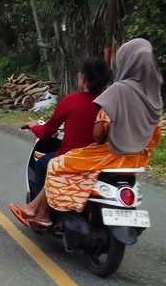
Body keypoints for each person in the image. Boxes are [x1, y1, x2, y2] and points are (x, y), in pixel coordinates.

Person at [10, 38, 164, 227]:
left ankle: (42, 211)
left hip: (109, 155)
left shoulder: (116, 92)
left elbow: (98, 132)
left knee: (54, 164)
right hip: (138, 158)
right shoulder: (153, 96)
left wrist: (102, 139)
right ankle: (39, 208)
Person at [19, 57, 111, 202]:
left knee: (42, 163)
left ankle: (37, 210)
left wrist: (34, 126)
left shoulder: (70, 101)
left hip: (72, 157)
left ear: (83, 78)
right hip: (102, 158)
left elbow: (46, 132)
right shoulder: (111, 101)